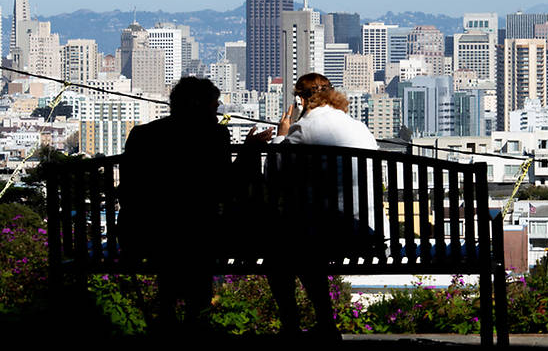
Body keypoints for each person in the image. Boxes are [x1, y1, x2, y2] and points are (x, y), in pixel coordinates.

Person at [118, 76, 271, 331]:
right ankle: (196, 320)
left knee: (177, 237)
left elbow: (129, 191)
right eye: (214, 105)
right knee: (195, 234)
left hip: (143, 237)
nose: (218, 110)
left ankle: (168, 316)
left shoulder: (143, 134)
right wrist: (249, 152)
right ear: (200, 105)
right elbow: (225, 187)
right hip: (199, 237)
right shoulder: (214, 135)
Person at [268, 73, 378, 338]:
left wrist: (281, 137)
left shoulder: (304, 128)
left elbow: (275, 173)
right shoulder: (358, 127)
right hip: (367, 230)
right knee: (304, 249)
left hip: (328, 234)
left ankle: (292, 327)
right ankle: (325, 325)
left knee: (279, 255)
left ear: (301, 99)